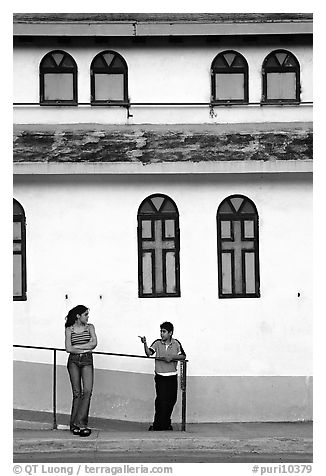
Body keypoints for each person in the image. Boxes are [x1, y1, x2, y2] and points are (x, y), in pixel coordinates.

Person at [139, 322, 186, 431]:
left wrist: (172, 357)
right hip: (160, 377)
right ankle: (157, 425)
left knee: (171, 400)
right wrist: (145, 343)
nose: (161, 334)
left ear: (170, 333)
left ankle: (166, 423)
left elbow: (183, 356)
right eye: (161, 331)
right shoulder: (157, 343)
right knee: (161, 401)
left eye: (164, 332)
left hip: (172, 377)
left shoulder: (176, 343)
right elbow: (149, 353)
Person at [65, 305, 97, 437]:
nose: (87, 317)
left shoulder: (90, 327)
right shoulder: (69, 329)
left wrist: (77, 347)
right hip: (73, 361)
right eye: (85, 314)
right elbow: (68, 348)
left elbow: (94, 343)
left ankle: (81, 423)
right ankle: (74, 424)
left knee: (88, 391)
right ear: (78, 316)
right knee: (77, 393)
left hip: (87, 360)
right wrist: (85, 347)